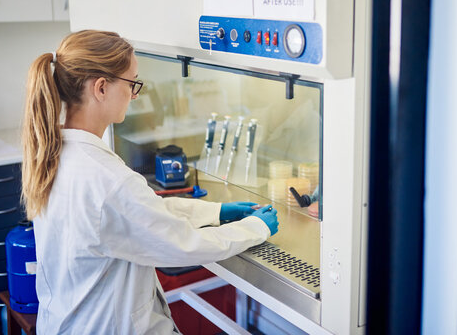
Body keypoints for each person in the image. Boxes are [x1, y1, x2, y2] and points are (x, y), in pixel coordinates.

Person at [21, 30, 279, 334]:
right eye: (132, 83)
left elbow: (139, 213)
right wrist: (255, 228)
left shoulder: (58, 153)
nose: (135, 95)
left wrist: (216, 212)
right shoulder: (106, 179)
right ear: (101, 88)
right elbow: (182, 245)